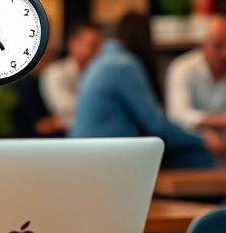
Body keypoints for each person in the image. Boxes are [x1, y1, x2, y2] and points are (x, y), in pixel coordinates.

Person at [69, 12, 212, 169]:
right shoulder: (123, 65)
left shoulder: (104, 60)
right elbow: (155, 124)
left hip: (84, 156)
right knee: (199, 157)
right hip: (103, 160)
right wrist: (202, 140)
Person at [165, 15, 226, 157]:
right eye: (218, 46)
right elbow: (178, 115)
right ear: (202, 46)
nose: (225, 53)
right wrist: (216, 124)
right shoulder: (182, 68)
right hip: (192, 149)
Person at [39, 22, 103, 132]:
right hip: (64, 138)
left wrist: (58, 123)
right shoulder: (55, 72)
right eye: (92, 45)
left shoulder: (100, 74)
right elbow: (64, 108)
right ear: (72, 43)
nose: (97, 52)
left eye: (99, 47)